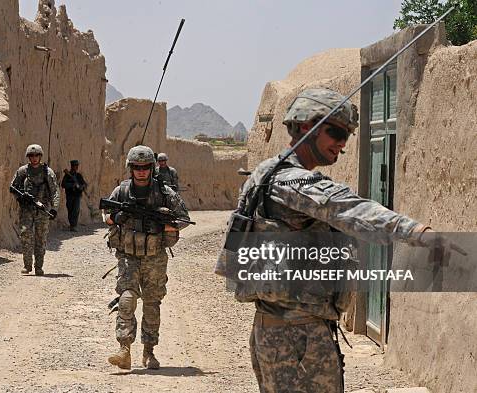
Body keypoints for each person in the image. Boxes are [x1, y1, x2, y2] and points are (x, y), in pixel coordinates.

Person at [217, 88, 460, 393]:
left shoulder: (265, 173)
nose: (342, 144)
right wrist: (420, 234)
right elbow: (351, 209)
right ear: (307, 126)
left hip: (277, 329)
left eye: (347, 135)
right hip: (299, 337)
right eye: (336, 132)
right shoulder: (295, 182)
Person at [103, 145, 190, 370]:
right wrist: (117, 217)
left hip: (154, 257)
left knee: (152, 304)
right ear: (130, 168)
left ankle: (149, 352)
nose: (141, 171)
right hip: (128, 256)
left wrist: (164, 225)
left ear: (152, 168)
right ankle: (124, 349)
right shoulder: (121, 192)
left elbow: (183, 219)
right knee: (127, 299)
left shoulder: (164, 193)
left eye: (145, 167)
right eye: (137, 167)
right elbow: (106, 216)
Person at [10, 144, 59, 276]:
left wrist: (54, 208)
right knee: (26, 235)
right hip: (27, 210)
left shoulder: (48, 172)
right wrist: (21, 198)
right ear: (28, 157)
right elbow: (13, 188)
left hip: (43, 210)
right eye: (31, 156)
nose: (34, 158)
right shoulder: (23, 171)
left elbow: (55, 191)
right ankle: (27, 265)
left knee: (40, 238)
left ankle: (39, 267)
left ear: (40, 156)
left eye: (36, 155)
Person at [61, 159, 87, 231]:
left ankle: (74, 225)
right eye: (75, 165)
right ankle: (72, 224)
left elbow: (84, 184)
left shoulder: (78, 176)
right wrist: (72, 185)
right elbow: (63, 184)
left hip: (77, 195)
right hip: (69, 195)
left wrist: (81, 187)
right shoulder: (67, 175)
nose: (76, 167)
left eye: (77, 165)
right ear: (72, 166)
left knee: (76, 210)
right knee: (70, 210)